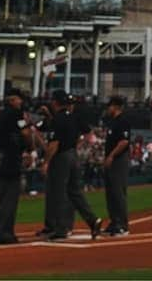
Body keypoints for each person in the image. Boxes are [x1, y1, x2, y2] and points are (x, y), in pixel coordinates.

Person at [41, 90, 103, 240]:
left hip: (61, 157)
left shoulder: (58, 119)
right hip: (73, 155)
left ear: (55, 103)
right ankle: (92, 220)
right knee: (75, 192)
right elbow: (88, 134)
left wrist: (46, 162)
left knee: (59, 193)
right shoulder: (73, 117)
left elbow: (54, 143)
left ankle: (61, 228)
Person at [0, 88, 35, 244]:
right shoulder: (15, 114)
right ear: (12, 100)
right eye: (18, 99)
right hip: (11, 157)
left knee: (4, 197)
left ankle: (1, 231)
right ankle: (4, 233)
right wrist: (31, 150)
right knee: (10, 197)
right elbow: (25, 132)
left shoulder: (3, 114)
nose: (21, 101)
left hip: (2, 156)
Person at [102, 95, 131, 236]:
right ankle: (114, 222)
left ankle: (122, 225)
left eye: (110, 106)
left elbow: (124, 142)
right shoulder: (112, 122)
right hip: (112, 159)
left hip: (119, 159)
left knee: (118, 192)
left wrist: (112, 156)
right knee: (111, 192)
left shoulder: (123, 121)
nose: (108, 108)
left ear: (115, 106)